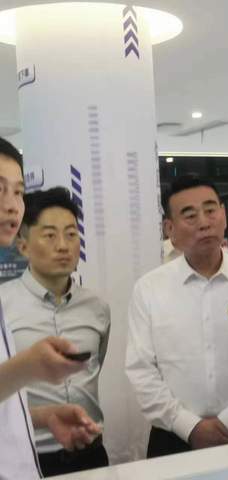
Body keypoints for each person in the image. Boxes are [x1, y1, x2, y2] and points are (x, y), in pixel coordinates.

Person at [126, 175, 228, 458]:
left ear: (223, 216)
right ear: (170, 229)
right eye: (190, 215)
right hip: (172, 438)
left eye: (210, 210)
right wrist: (189, 426)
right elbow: (141, 369)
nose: (204, 222)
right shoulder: (149, 289)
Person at [0, 137, 100, 480]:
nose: (12, 205)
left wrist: (43, 417)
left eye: (18, 192)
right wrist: (27, 368)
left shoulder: (96, 307)